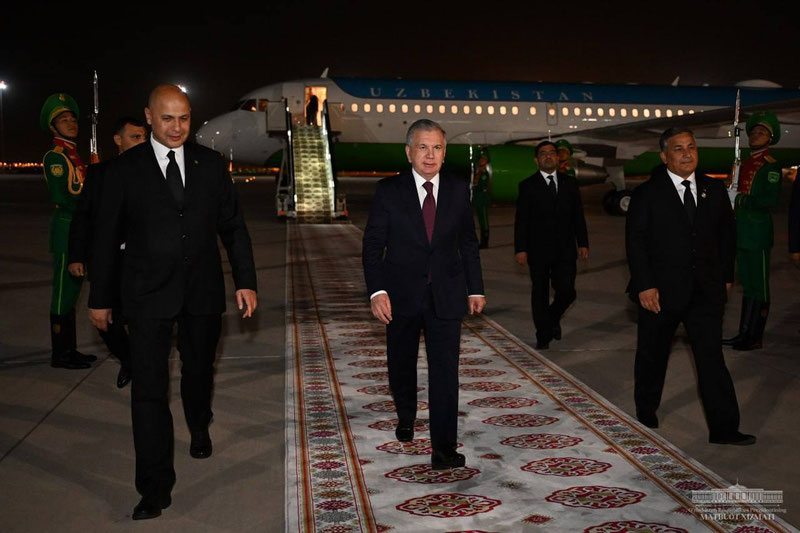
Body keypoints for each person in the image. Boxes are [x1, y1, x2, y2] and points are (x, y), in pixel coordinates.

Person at [88, 85, 258, 520]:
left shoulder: (211, 165)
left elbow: (233, 227)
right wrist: (101, 298)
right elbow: (104, 239)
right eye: (167, 119)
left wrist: (246, 281)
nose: (177, 127)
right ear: (149, 117)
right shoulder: (123, 170)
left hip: (201, 292)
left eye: (183, 118)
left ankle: (198, 422)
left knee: (199, 371)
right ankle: (154, 487)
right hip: (145, 297)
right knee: (148, 393)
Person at [362, 119, 485, 470]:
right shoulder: (389, 191)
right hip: (400, 296)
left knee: (445, 372)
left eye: (437, 148)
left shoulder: (459, 190)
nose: (430, 155)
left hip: (446, 295)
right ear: (409, 152)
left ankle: (443, 448)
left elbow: (467, 243)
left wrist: (475, 288)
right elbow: (373, 245)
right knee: (401, 364)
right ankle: (405, 413)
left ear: (445, 154)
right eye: (423, 147)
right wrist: (377, 291)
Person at [626, 127, 755, 446]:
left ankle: (724, 428)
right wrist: (645, 285)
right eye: (679, 149)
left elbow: (727, 236)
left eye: (691, 147)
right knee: (652, 357)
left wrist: (725, 277)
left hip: (706, 294)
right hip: (660, 293)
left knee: (712, 361)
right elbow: (636, 242)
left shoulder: (713, 189)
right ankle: (645, 414)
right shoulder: (647, 194)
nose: (687, 154)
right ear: (664, 156)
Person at [68, 116, 147, 388]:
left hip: (142, 263)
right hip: (110, 261)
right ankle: (129, 359)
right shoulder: (101, 173)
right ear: (118, 140)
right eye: (135, 137)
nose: (141, 142)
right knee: (106, 323)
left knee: (141, 320)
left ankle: (143, 364)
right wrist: (77, 255)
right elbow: (83, 216)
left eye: (144, 137)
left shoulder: (154, 172)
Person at [40, 93, 97, 369]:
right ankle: (60, 354)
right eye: (64, 119)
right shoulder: (56, 157)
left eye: (73, 118)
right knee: (63, 292)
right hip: (66, 231)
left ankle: (70, 350)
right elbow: (63, 196)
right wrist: (90, 204)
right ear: (54, 127)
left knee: (72, 293)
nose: (71, 122)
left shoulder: (74, 156)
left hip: (78, 229)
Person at [514, 141, 589, 349]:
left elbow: (578, 216)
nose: (548, 156)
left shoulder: (570, 183)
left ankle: (551, 318)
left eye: (552, 153)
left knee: (567, 291)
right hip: (537, 250)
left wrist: (583, 242)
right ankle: (543, 334)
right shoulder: (527, 185)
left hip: (565, 249)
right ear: (536, 160)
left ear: (558, 158)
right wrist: (520, 248)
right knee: (539, 292)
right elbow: (522, 220)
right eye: (543, 154)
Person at [722, 112, 782, 351]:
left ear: (771, 138)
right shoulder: (743, 164)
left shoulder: (771, 167)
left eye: (762, 133)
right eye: (754, 132)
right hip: (741, 231)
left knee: (759, 285)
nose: (756, 136)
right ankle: (744, 333)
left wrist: (740, 199)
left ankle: (755, 336)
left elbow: (769, 200)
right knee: (747, 283)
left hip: (757, 233)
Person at [472, 152, 491, 248]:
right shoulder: (478, 173)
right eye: (480, 160)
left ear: (486, 162)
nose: (481, 161)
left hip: (482, 200)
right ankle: (482, 242)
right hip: (478, 200)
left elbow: (481, 187)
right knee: (480, 220)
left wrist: (474, 188)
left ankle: (484, 243)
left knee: (484, 221)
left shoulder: (484, 174)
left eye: (483, 160)